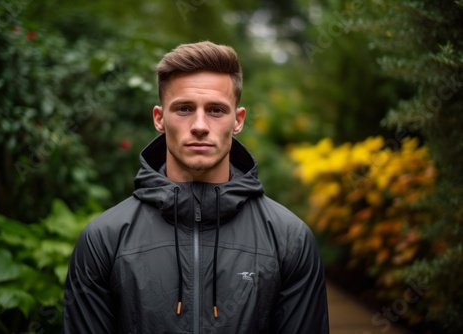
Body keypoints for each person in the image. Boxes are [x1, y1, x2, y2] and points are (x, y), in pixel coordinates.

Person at [63, 41, 329, 334]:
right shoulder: (104, 240)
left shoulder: (290, 240)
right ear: (159, 118)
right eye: (184, 109)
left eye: (216, 110)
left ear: (238, 120)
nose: (200, 125)